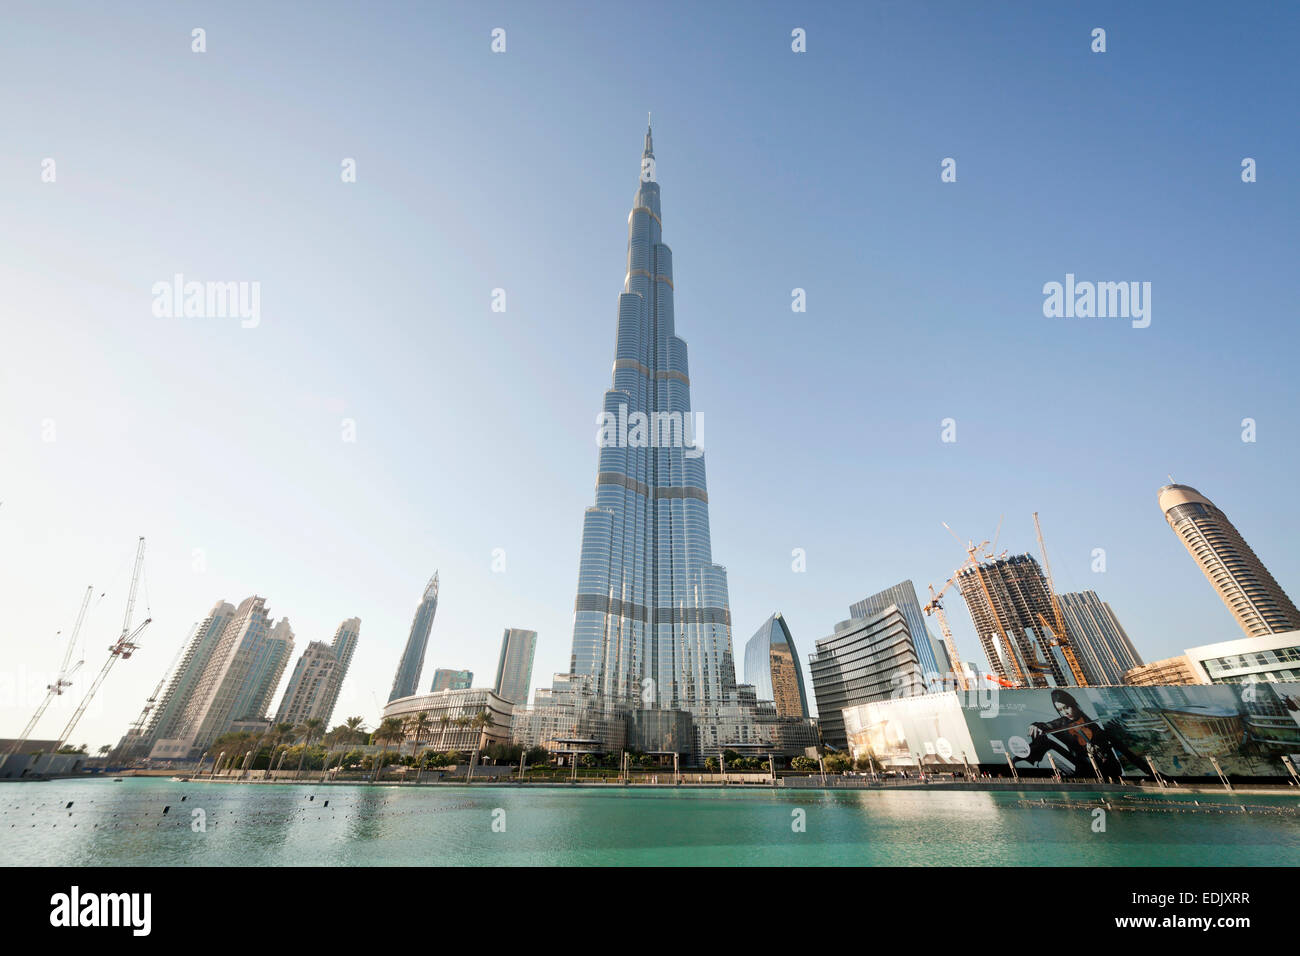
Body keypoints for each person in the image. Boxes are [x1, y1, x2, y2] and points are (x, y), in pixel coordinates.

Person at [1019, 689, 1146, 779]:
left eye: (1067, 707)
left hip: (1109, 770)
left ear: (1073, 704)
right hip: (1084, 771)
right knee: (1044, 740)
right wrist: (1035, 725)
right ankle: (1025, 762)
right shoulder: (1061, 723)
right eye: (1060, 710)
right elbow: (1046, 725)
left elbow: (1126, 752)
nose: (1065, 713)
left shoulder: (1094, 725)